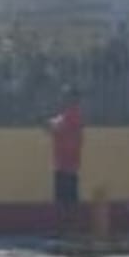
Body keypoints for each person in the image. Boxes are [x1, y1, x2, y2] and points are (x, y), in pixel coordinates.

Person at [46, 86, 85, 231]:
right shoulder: (68, 114)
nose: (64, 99)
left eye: (67, 97)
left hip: (67, 163)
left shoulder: (73, 114)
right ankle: (66, 227)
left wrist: (52, 124)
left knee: (66, 199)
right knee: (66, 198)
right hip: (65, 162)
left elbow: (54, 127)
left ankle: (68, 228)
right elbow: (54, 126)